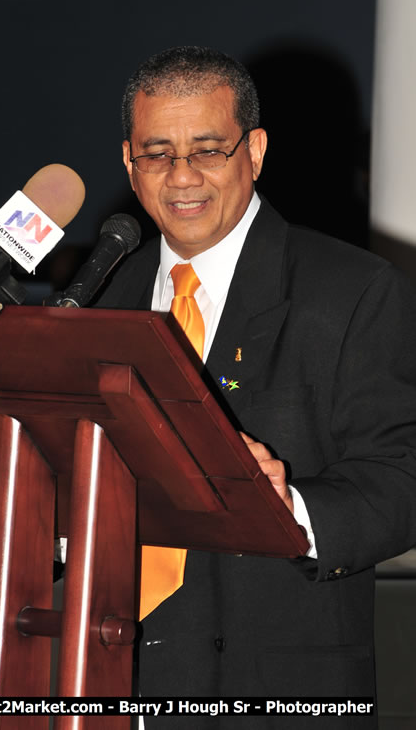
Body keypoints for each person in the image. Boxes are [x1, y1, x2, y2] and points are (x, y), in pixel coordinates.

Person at [95, 46, 416, 728]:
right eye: (157, 154)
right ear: (129, 162)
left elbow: (404, 474)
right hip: (113, 678)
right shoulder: (101, 296)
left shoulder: (352, 291)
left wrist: (291, 510)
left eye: (208, 150)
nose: (182, 176)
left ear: (256, 151)